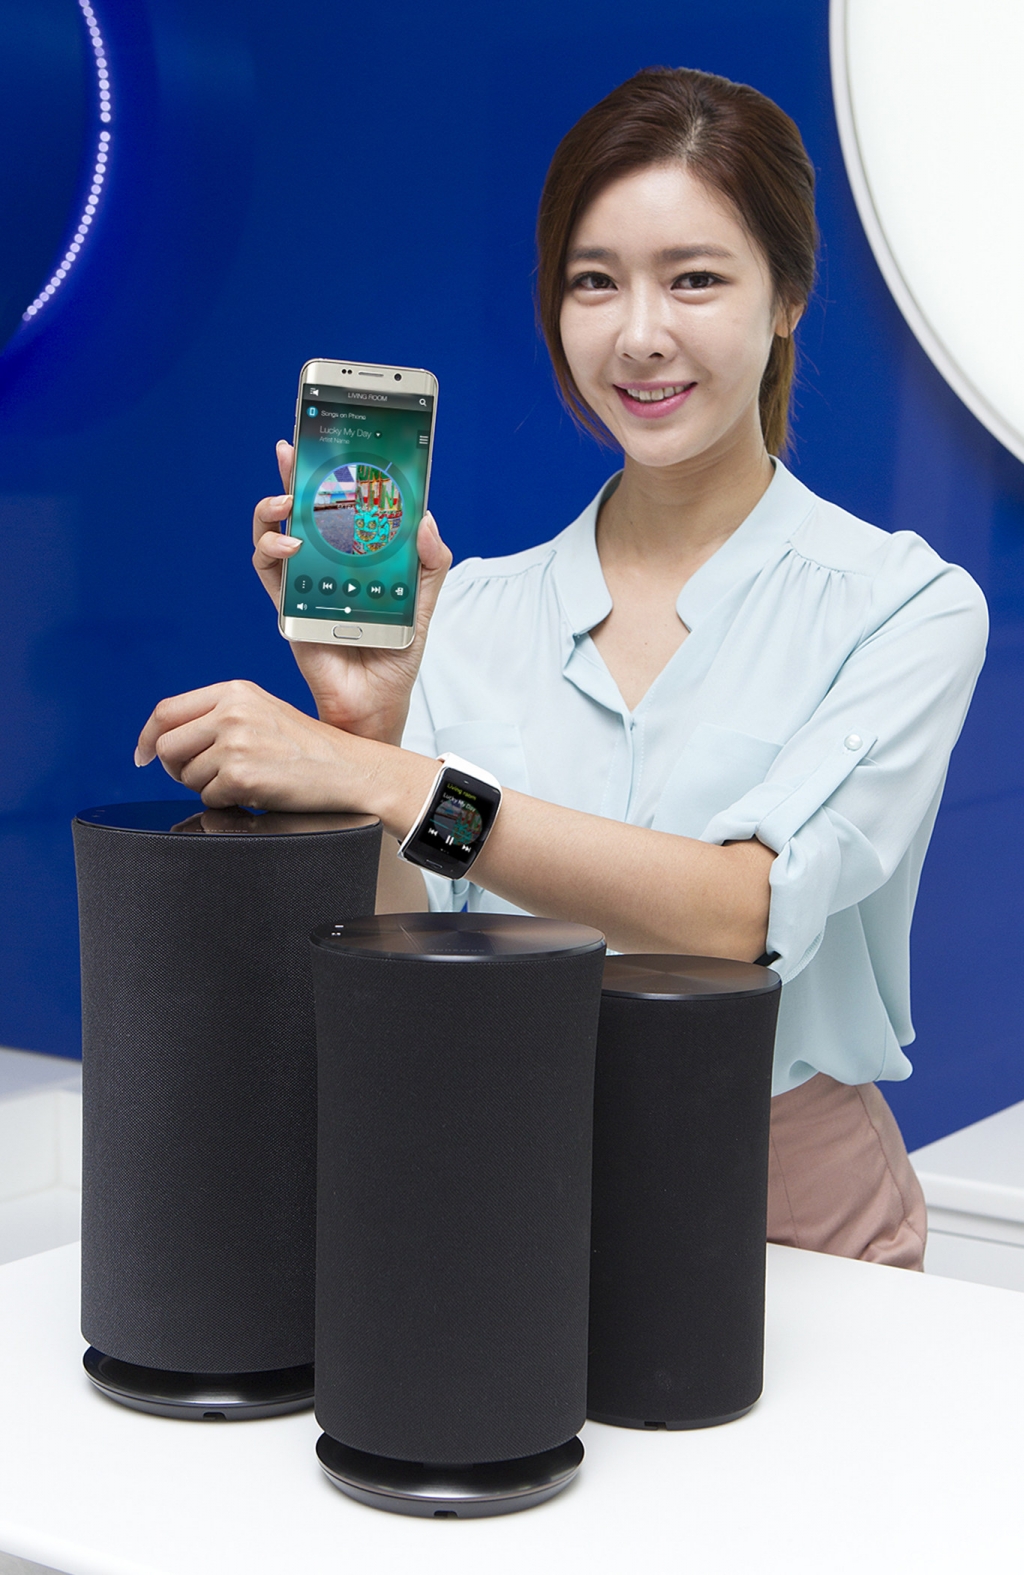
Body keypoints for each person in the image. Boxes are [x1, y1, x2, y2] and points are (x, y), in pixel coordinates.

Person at [136, 67, 987, 1271]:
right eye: (594, 282)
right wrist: (368, 727)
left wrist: (385, 777)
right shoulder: (470, 610)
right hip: (499, 1168)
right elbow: (416, 936)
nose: (639, 334)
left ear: (787, 296)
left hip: (781, 1199)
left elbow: (741, 916)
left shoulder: (904, 605)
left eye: (694, 279)